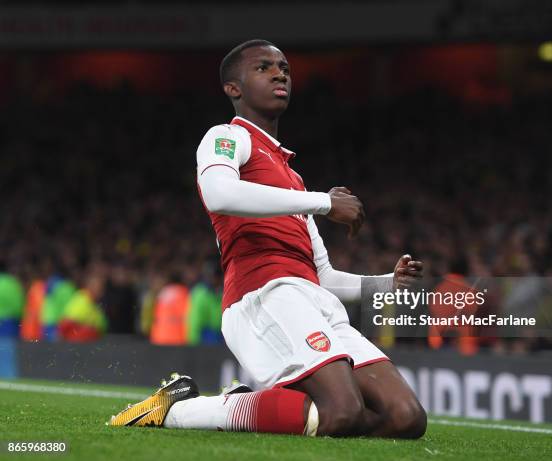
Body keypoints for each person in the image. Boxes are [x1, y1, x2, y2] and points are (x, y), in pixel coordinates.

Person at [110, 39, 426, 438]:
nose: (280, 73)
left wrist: (385, 284)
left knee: (406, 418)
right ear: (233, 88)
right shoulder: (226, 137)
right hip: (262, 295)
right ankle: (179, 409)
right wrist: (324, 204)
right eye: (263, 67)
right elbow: (219, 194)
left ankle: (246, 399)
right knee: (342, 412)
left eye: (285, 69)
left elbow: (322, 275)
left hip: (315, 302)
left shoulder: (292, 179)